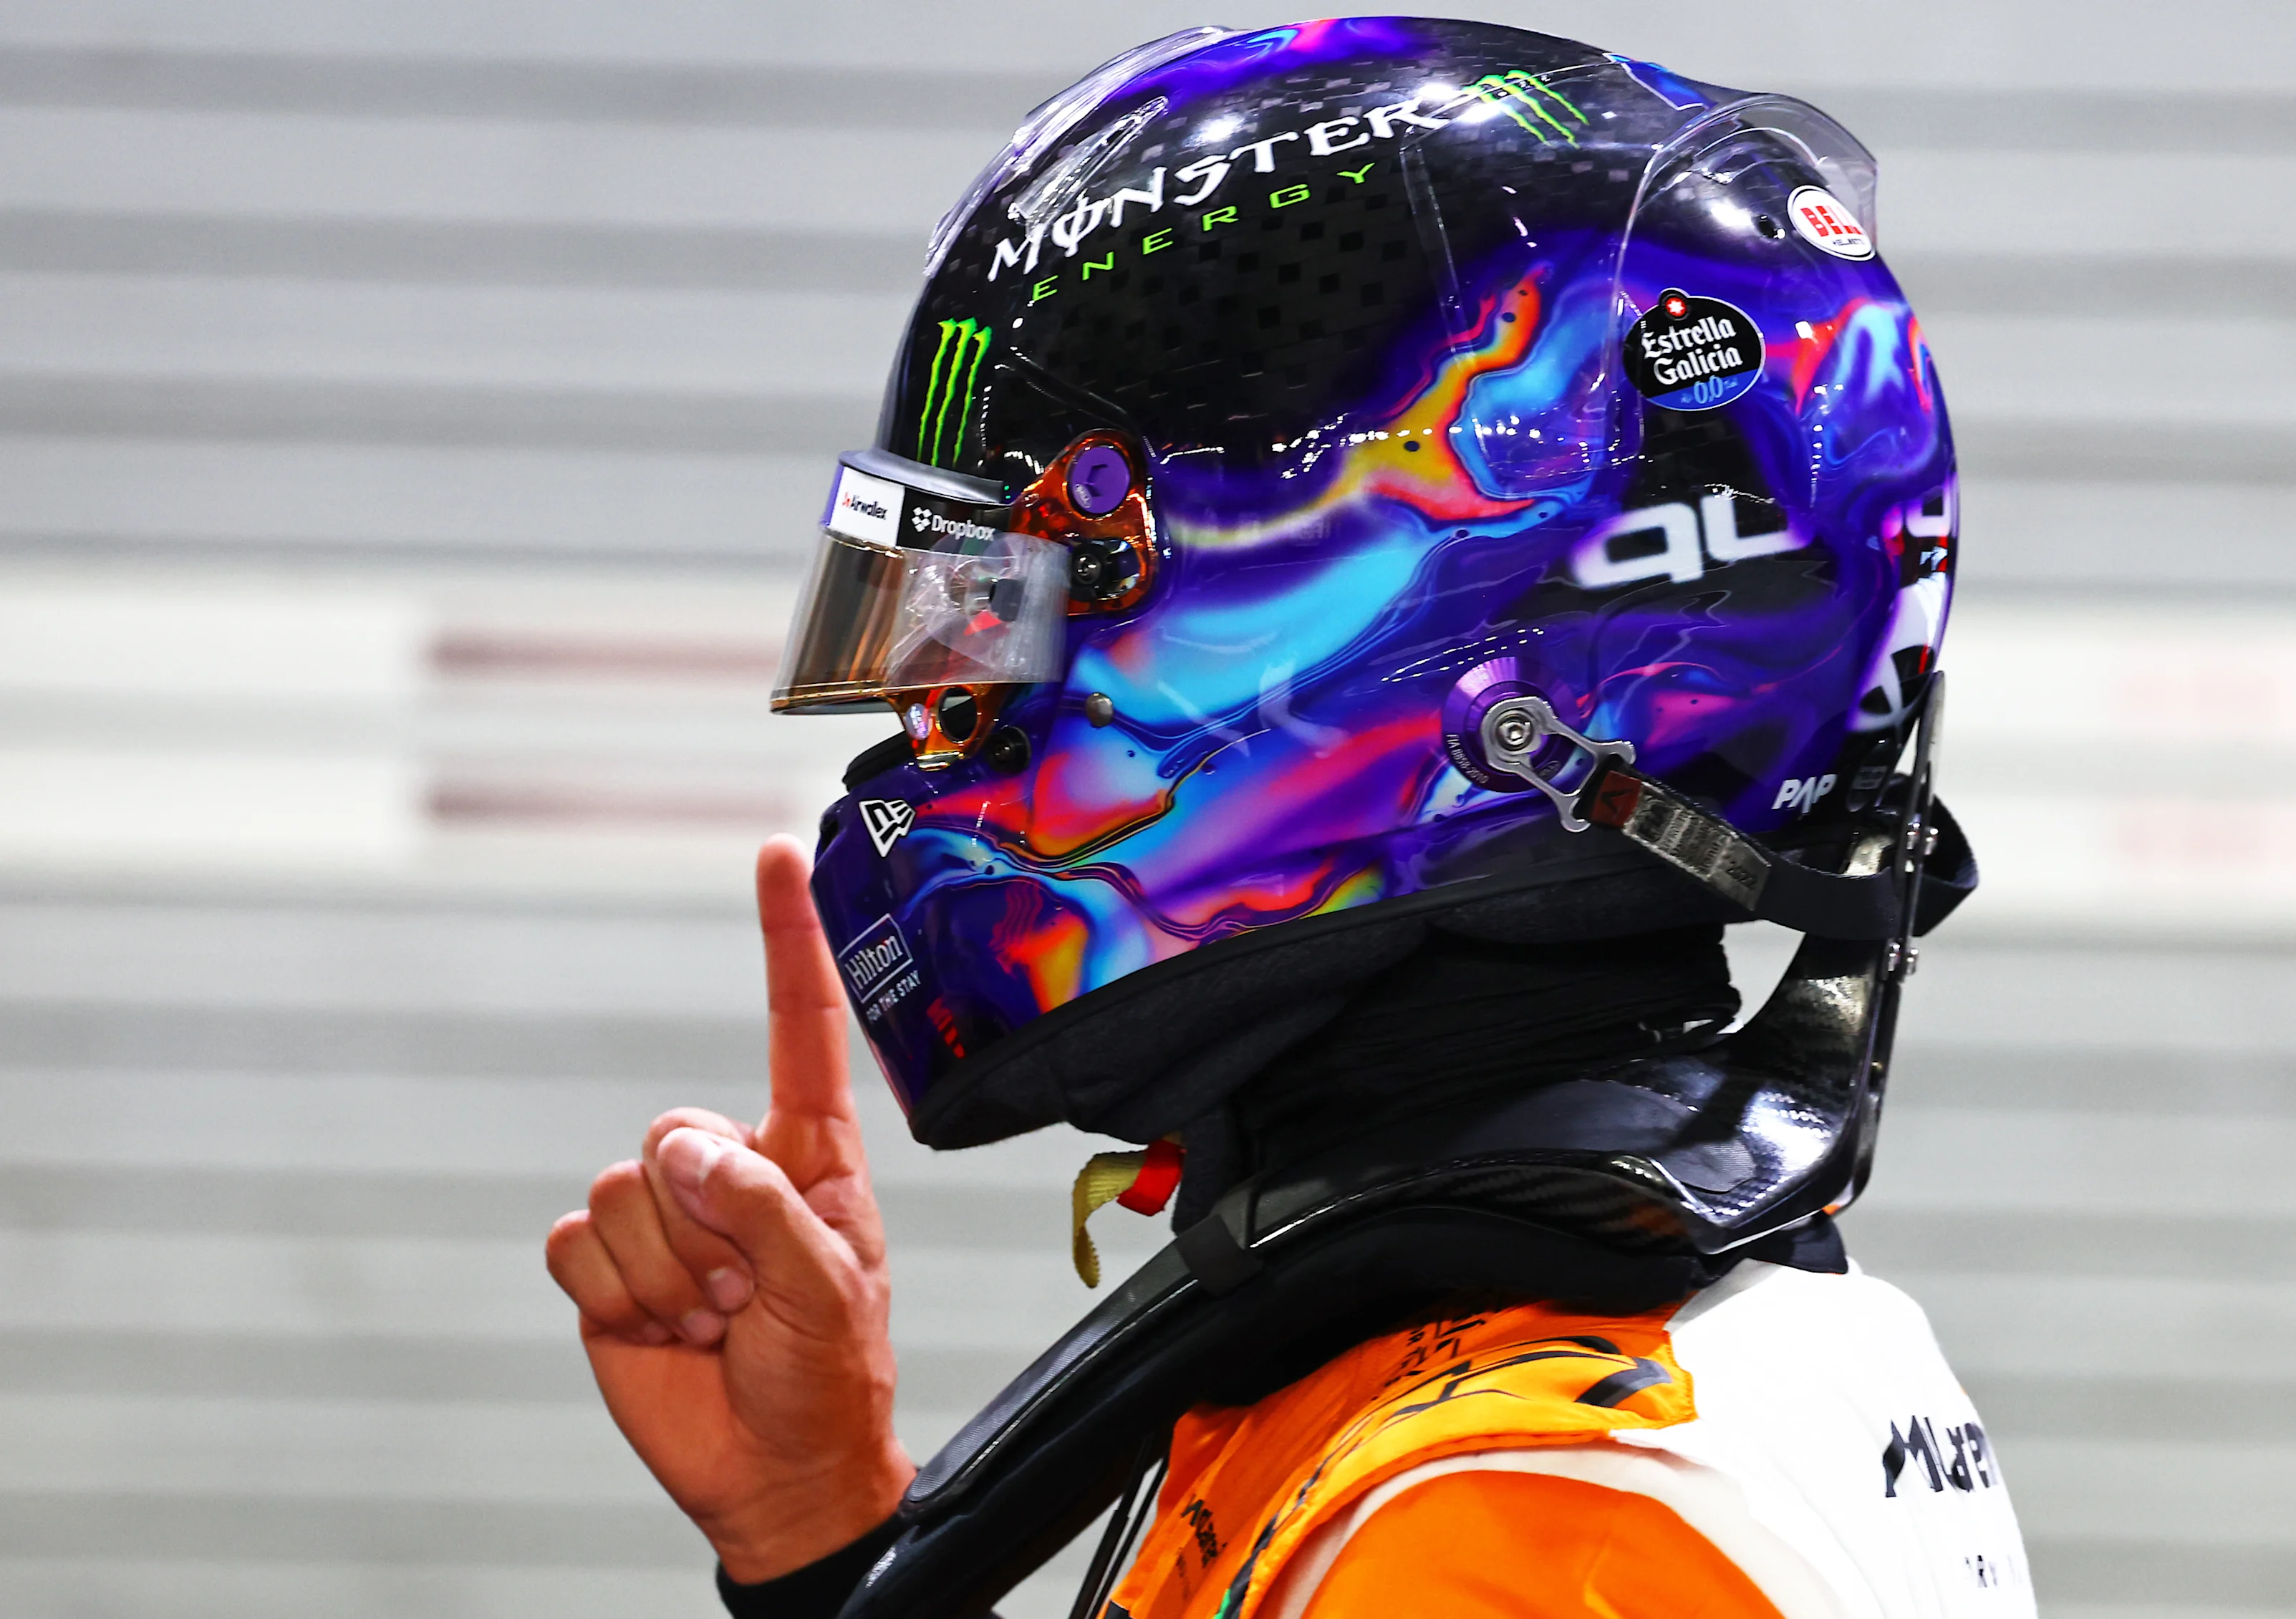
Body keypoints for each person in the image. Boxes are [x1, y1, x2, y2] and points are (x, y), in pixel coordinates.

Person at [547, 19, 2027, 1618]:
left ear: (1449, 637)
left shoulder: (1526, 1519)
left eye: (1022, 598)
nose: (943, 711)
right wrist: (822, 1536)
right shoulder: (1529, 1378)